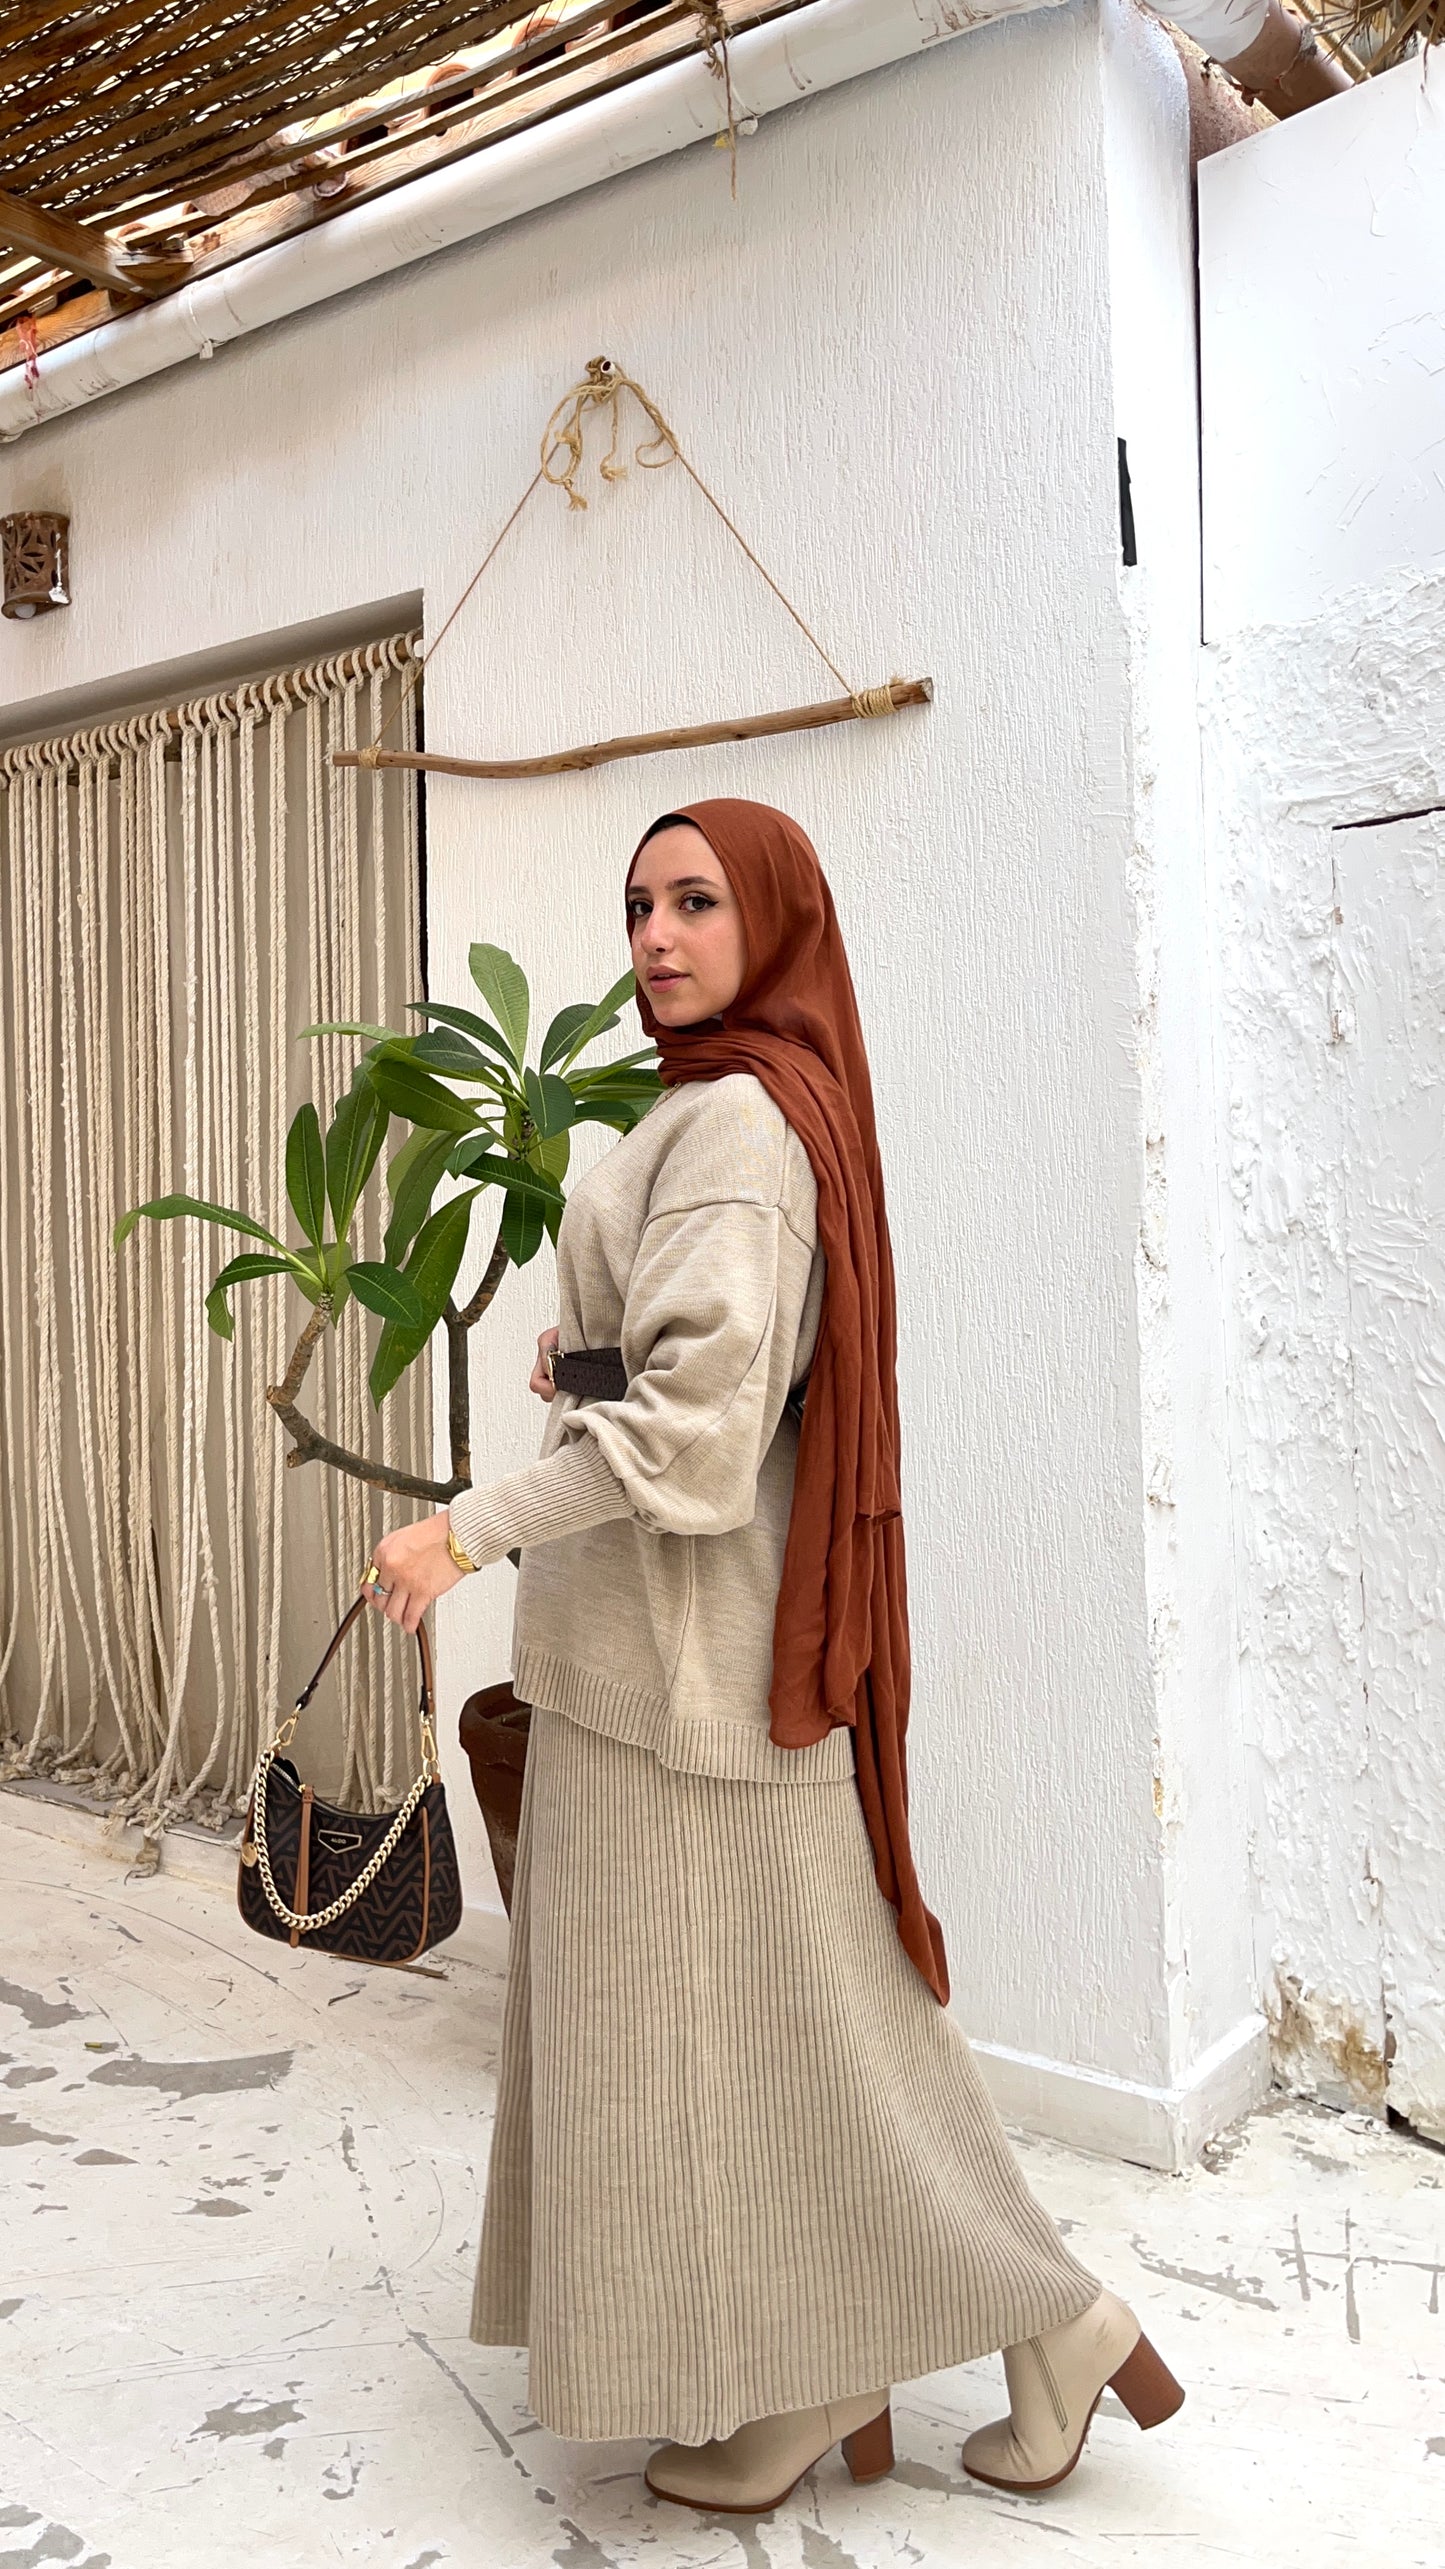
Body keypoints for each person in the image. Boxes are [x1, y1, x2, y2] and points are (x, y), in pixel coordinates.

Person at [366, 797, 1183, 2514]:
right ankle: (909, 2362)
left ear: (775, 922)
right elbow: (718, 1394)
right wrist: (587, 1372)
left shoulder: (735, 1126)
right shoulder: (727, 1107)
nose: (656, 935)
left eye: (696, 901)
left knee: (811, 2038)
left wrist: (464, 1528)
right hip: (699, 1668)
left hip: (688, 1686)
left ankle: (1049, 2318)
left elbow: (693, 1456)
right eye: (637, 904)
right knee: (787, 2037)